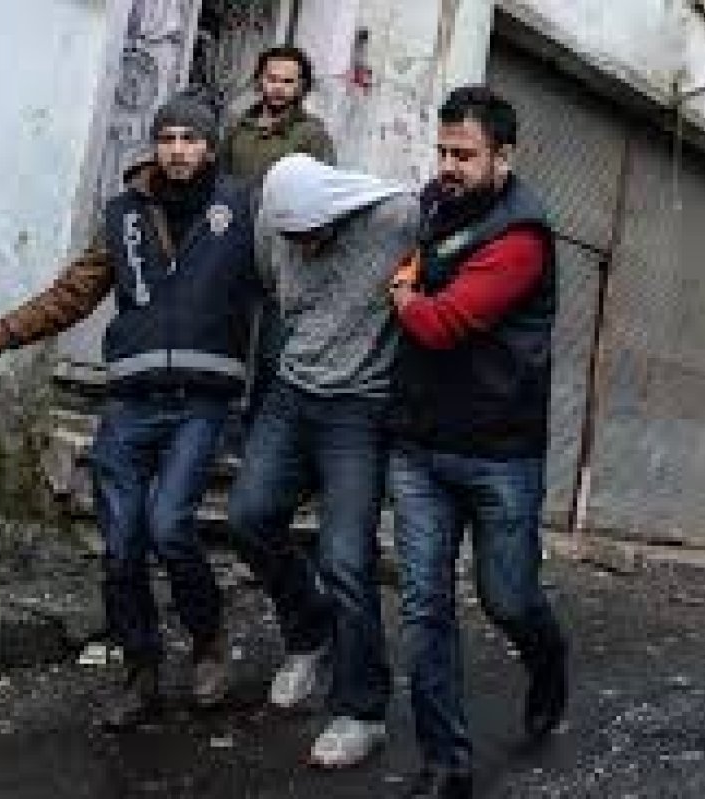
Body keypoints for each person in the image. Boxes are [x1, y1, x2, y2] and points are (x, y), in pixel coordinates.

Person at [0, 91, 258, 727]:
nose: (177, 150)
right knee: (120, 548)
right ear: (155, 145)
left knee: (170, 527)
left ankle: (207, 644)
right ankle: (141, 671)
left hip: (202, 400)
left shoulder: (244, 208)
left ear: (210, 147)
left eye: (190, 139)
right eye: (167, 138)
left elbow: (290, 275)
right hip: (132, 401)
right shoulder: (124, 215)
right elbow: (72, 295)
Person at [386, 86, 568, 799]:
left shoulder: (522, 236)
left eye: (464, 154)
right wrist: (408, 273)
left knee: (508, 600)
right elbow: (407, 250)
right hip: (420, 446)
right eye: (442, 150)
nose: (448, 165)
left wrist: (404, 295)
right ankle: (447, 763)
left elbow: (441, 324)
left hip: (499, 454)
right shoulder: (435, 205)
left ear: (504, 157)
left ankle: (548, 660)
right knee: (423, 605)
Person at [227, 153, 418, 768]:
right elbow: (271, 289)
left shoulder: (395, 218)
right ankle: (309, 632)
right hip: (291, 395)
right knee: (248, 519)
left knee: (346, 559)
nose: (302, 245)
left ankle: (362, 712)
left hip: (359, 410)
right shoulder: (273, 225)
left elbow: (460, 236)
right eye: (292, 236)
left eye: (313, 233)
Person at [223, 45, 335, 185]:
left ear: (301, 86)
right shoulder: (238, 126)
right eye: (272, 79)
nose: (278, 88)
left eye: (288, 81)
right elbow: (221, 178)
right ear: (259, 81)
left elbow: (323, 186)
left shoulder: (312, 135)